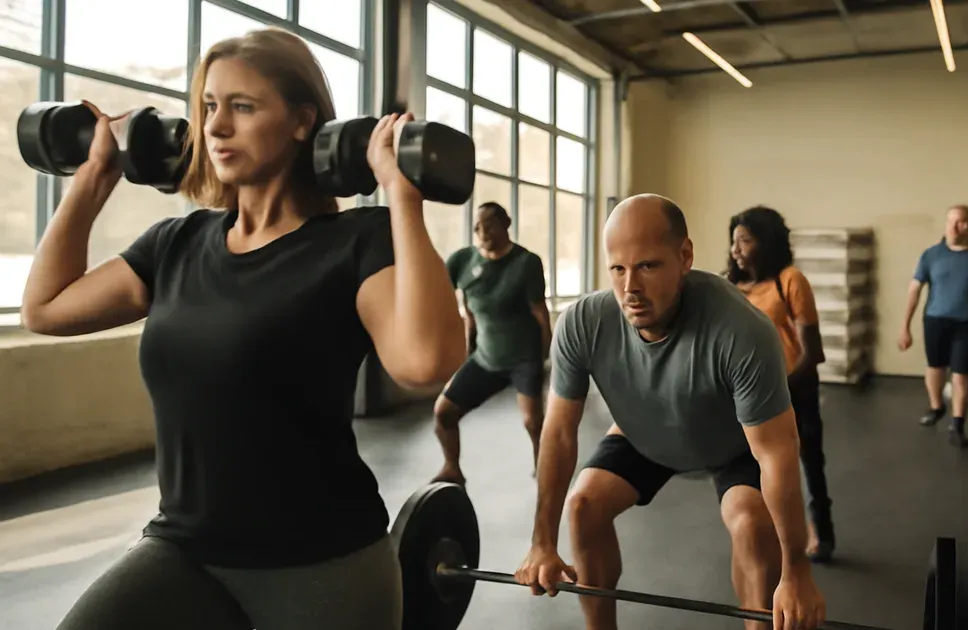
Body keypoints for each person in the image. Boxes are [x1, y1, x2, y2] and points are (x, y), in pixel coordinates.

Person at [21, 29, 465, 630]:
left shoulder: (355, 243)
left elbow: (427, 361)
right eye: (209, 106)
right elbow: (45, 308)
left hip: (323, 566)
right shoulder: (176, 243)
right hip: (185, 550)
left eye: (243, 107)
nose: (216, 126)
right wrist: (94, 177)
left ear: (302, 121)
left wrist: (402, 199)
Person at [515, 194, 826, 630]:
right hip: (643, 431)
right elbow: (560, 432)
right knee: (583, 505)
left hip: (732, 441)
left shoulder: (741, 330)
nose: (630, 288)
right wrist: (542, 542)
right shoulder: (582, 323)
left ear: (685, 257)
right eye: (618, 269)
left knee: (753, 527)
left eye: (647, 266)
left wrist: (796, 573)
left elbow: (776, 453)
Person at [727, 205, 835, 563]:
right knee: (755, 466)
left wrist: (781, 388)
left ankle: (821, 530)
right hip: (748, 394)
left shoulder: (789, 280)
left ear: (767, 242)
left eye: (745, 240)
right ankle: (767, 530)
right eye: (734, 241)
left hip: (795, 389)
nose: (736, 249)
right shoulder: (730, 288)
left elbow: (812, 352)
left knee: (809, 460)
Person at [432, 201, 551, 485]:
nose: (482, 232)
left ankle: (544, 467)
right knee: (443, 412)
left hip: (524, 358)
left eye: (489, 225)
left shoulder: (526, 263)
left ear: (506, 224)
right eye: (477, 227)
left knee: (533, 422)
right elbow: (460, 308)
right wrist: (465, 349)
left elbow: (540, 312)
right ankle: (452, 468)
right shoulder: (463, 260)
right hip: (485, 357)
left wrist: (547, 355)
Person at [898, 204, 968, 448]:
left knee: (961, 373)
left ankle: (957, 425)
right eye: (950, 222)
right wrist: (905, 326)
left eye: (960, 222)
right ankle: (936, 406)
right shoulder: (931, 255)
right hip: (935, 320)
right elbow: (914, 290)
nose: (954, 228)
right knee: (935, 367)